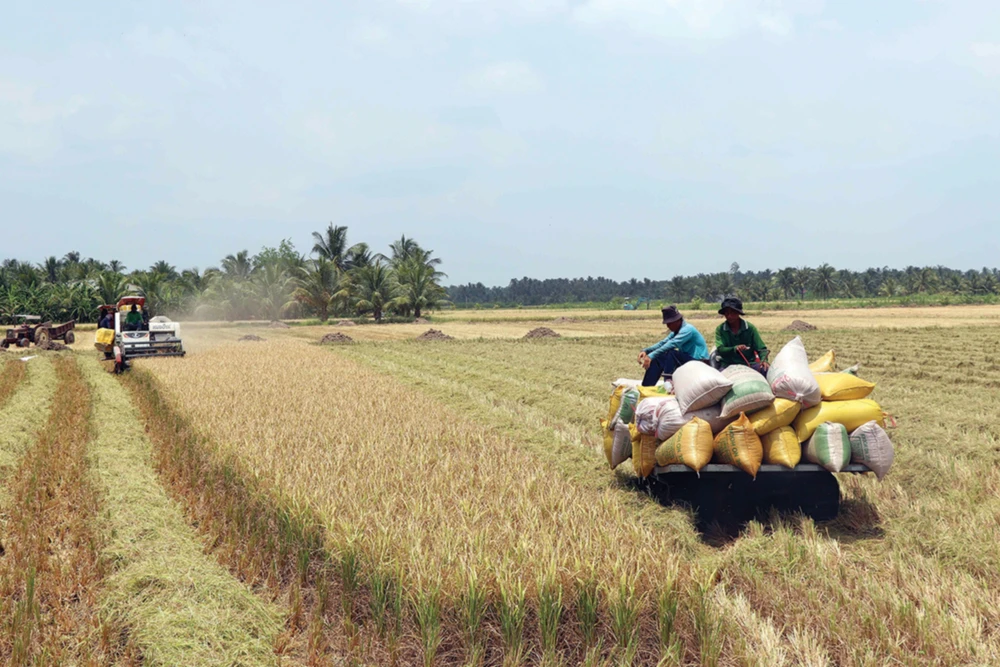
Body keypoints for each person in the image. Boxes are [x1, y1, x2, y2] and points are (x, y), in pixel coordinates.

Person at [638, 305, 709, 385]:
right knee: (659, 357)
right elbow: (663, 343)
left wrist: (650, 356)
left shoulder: (687, 329)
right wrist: (646, 351)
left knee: (671, 353)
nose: (668, 326)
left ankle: (668, 382)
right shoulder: (675, 331)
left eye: (670, 323)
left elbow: (672, 344)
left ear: (678, 320)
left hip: (699, 362)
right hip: (687, 360)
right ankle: (646, 386)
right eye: (667, 323)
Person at [714, 297, 769, 373]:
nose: (729, 316)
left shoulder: (750, 328)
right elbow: (721, 349)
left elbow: (761, 348)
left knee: (765, 370)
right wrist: (735, 349)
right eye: (727, 313)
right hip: (728, 365)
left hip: (749, 364)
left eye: (732, 313)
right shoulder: (720, 329)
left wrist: (764, 360)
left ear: (738, 313)